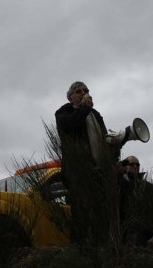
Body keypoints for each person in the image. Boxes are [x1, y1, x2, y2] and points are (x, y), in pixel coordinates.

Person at [55, 81, 118, 246]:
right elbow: (69, 126)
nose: (83, 93)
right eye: (78, 91)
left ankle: (102, 248)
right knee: (81, 213)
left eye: (86, 90)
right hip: (78, 172)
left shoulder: (95, 114)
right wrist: (84, 108)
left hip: (99, 170)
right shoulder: (64, 112)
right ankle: (80, 251)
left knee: (102, 213)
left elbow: (102, 138)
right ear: (70, 98)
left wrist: (113, 144)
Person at [120, 156, 153, 247]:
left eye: (137, 164)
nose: (135, 166)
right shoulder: (120, 184)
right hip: (126, 229)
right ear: (125, 166)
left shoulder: (147, 186)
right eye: (131, 164)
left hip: (145, 228)